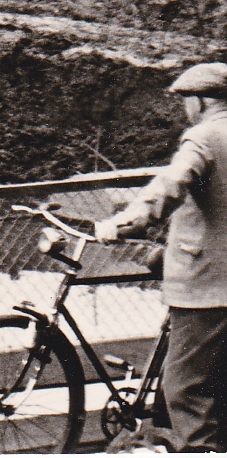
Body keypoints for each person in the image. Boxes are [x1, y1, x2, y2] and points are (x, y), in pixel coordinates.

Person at [96, 62, 227, 451]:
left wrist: (123, 224)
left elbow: (170, 186)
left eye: (186, 100)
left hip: (206, 288)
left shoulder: (204, 137)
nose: (185, 108)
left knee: (186, 390)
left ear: (200, 101)